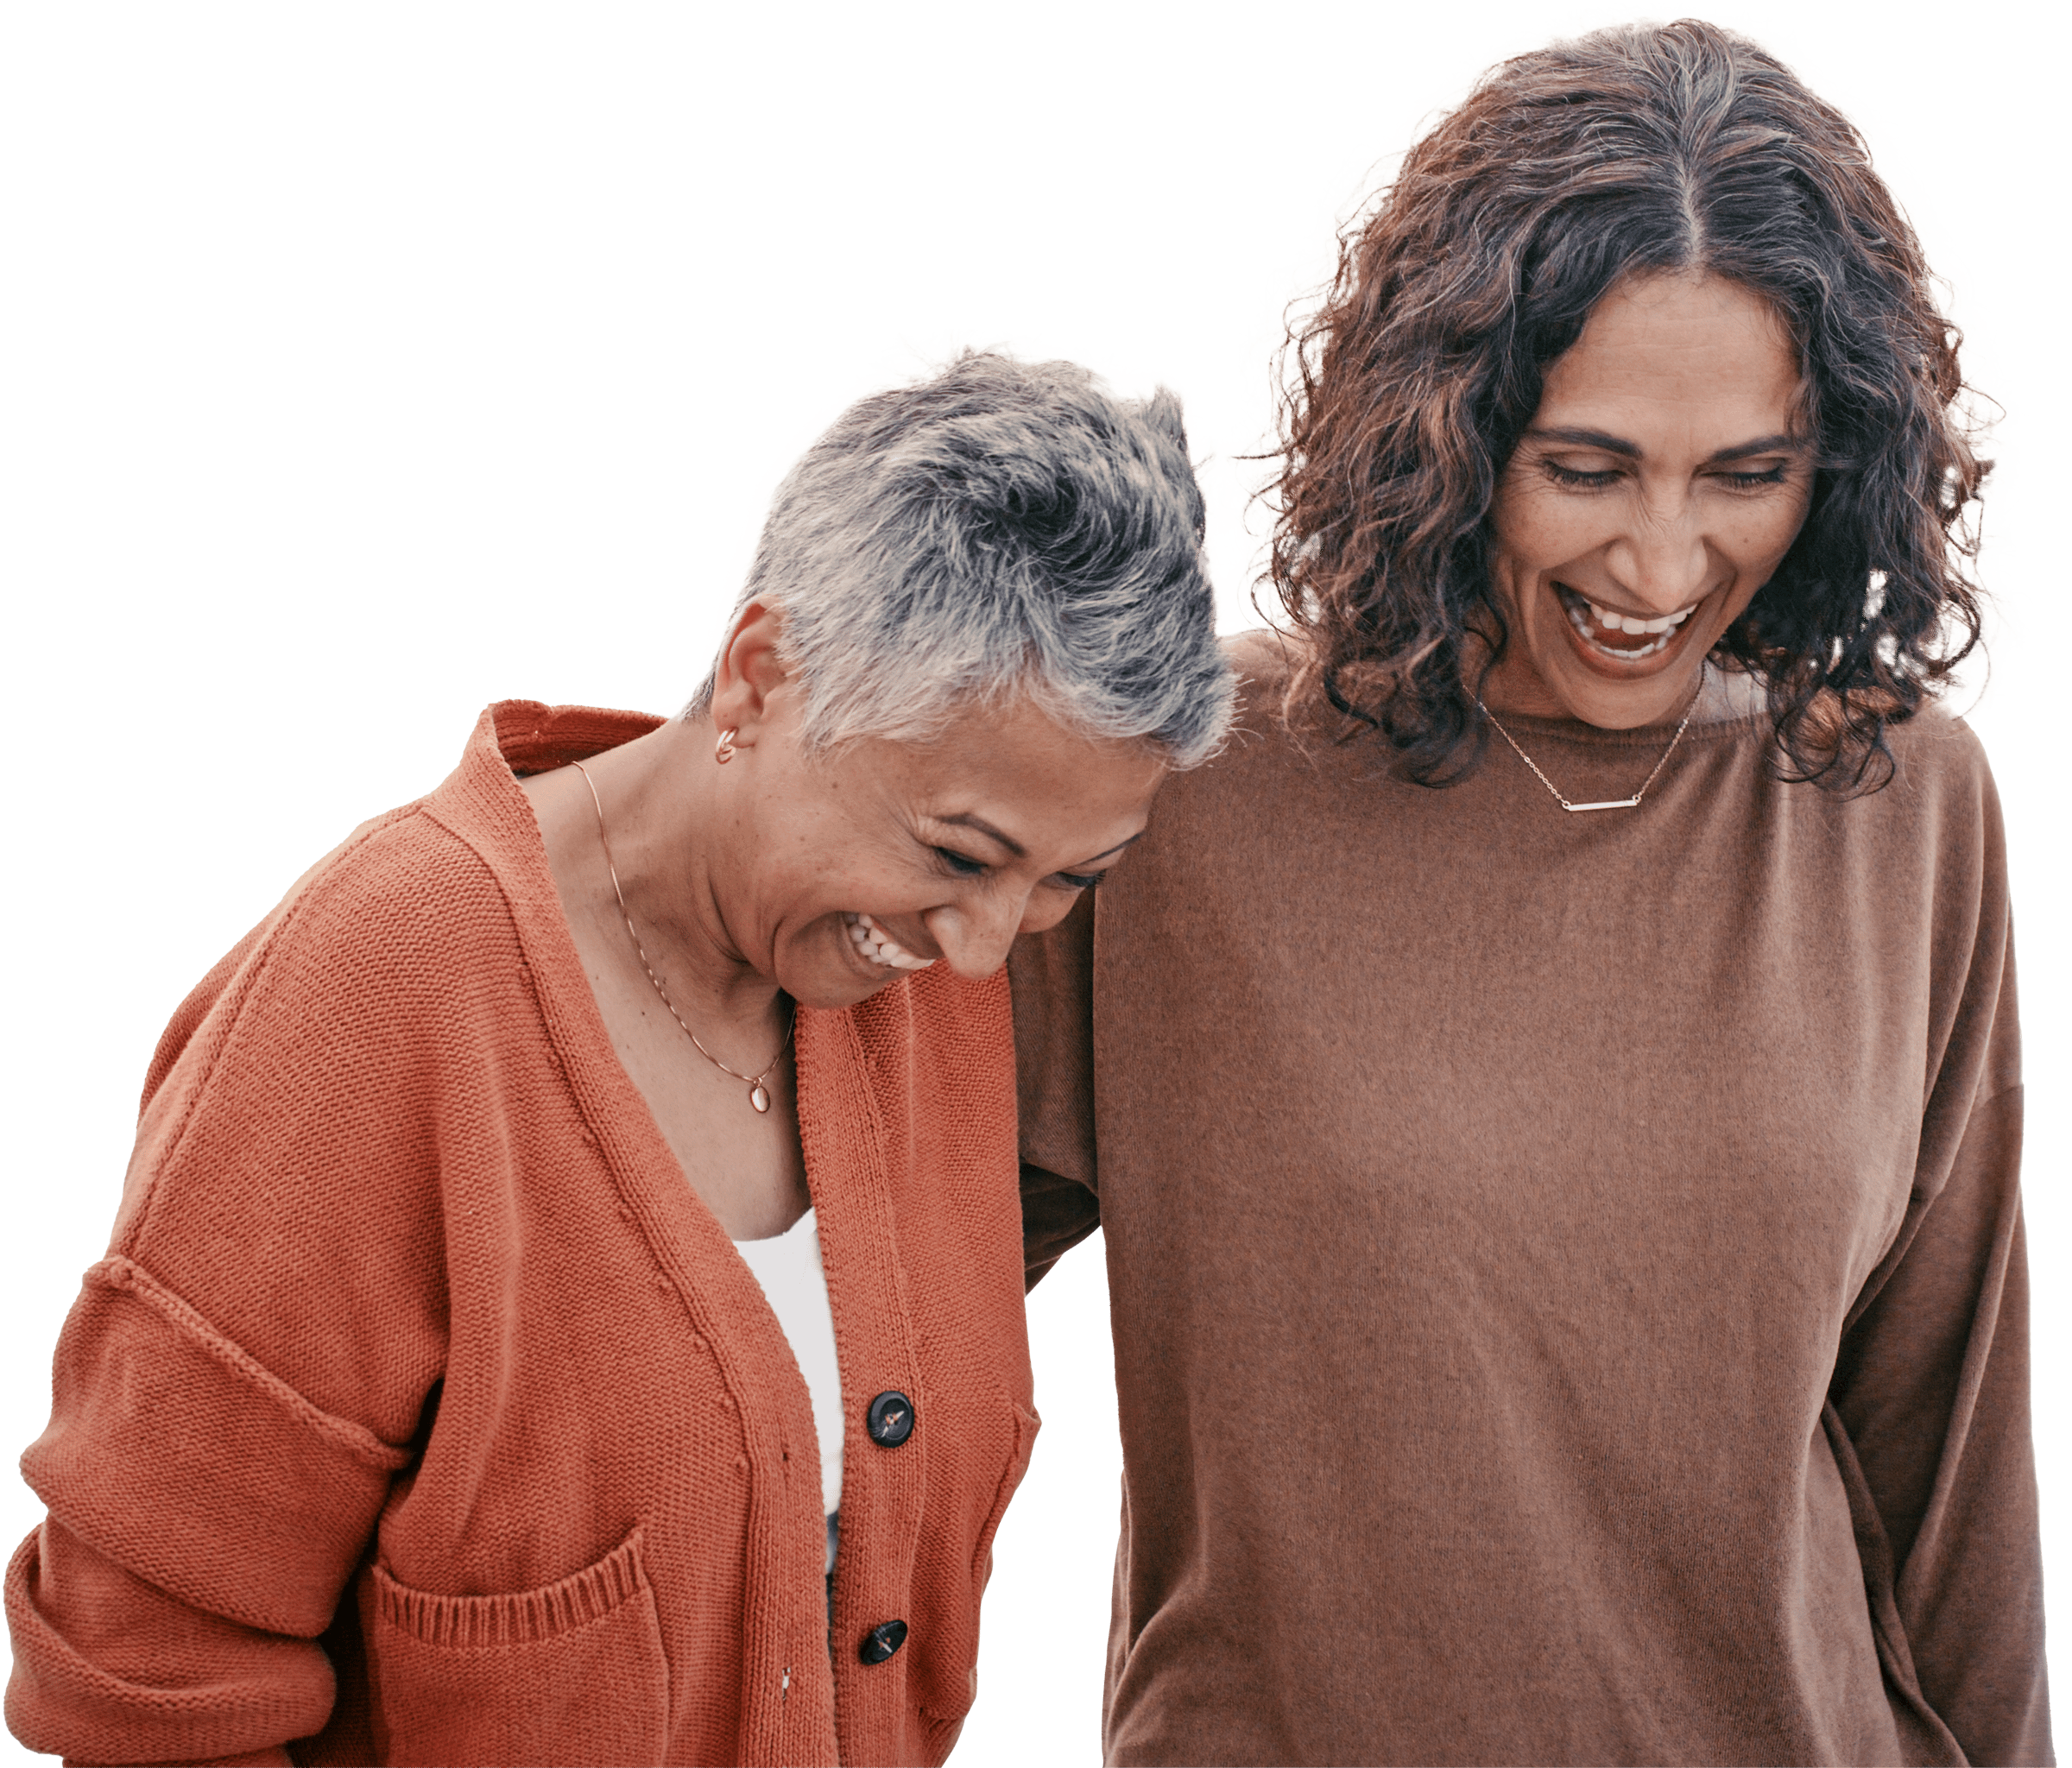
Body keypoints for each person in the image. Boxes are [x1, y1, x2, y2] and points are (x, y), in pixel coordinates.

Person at [1009, 13, 2041, 1765]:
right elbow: (862, 1288)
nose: (1661, 561)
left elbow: (1951, 1438)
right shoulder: (1187, 780)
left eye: (1748, 476)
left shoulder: (1898, 796)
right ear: (1448, 427)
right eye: (1585, 468)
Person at [3, 332, 1235, 1766]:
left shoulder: (938, 976)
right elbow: (140, 1671)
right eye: (959, 854)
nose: (984, 947)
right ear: (764, 674)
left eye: (1072, 878)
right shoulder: (381, 989)